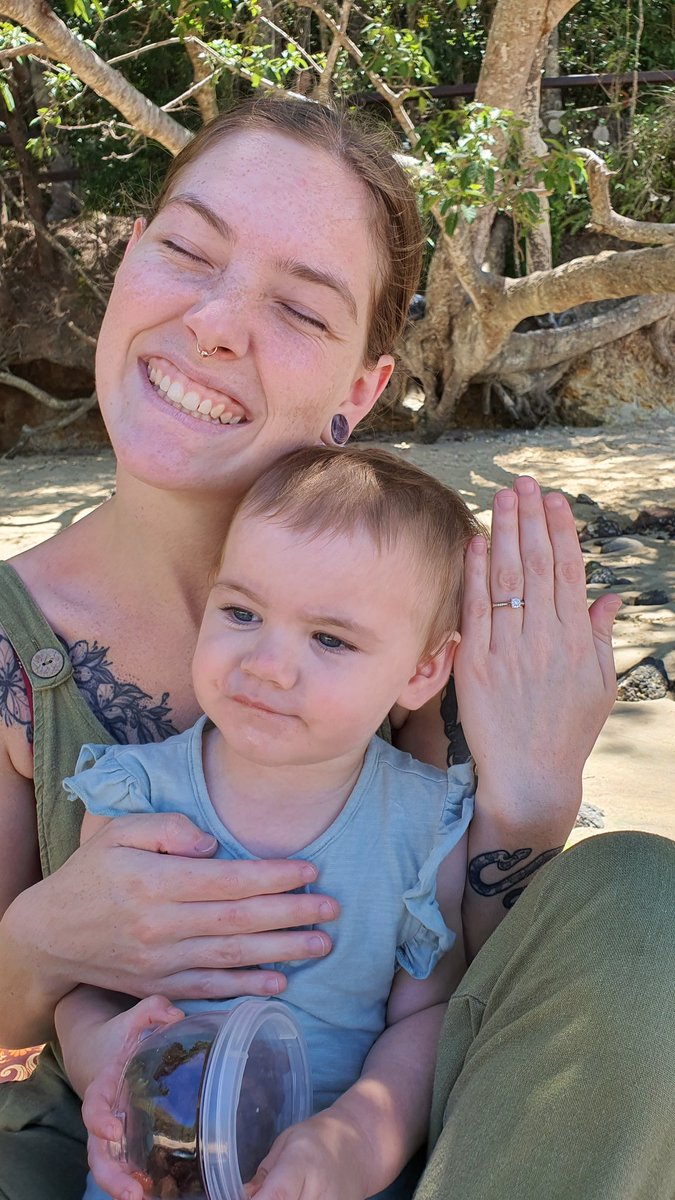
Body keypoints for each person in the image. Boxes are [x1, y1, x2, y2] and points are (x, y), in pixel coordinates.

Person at [0, 94, 671, 1200]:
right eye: (188, 251)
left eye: (301, 309)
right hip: (109, 1155)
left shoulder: (428, 608)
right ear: (129, 260)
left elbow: (470, 993)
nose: (217, 324)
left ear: (360, 389)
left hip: (393, 1154)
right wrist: (42, 944)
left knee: (643, 899)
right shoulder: (17, 650)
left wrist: (530, 800)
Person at [58, 444, 481, 1200]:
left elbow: (426, 1019)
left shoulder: (425, 827)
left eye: (330, 639)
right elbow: (85, 989)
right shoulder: (133, 798)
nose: (266, 664)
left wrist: (357, 1141)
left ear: (422, 670)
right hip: (153, 1166)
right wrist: (102, 1059)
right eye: (242, 613)